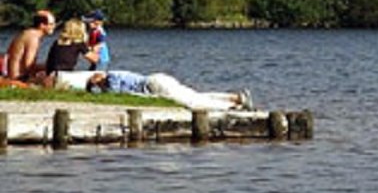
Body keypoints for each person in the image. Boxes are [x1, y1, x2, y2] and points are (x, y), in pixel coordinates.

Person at [82, 70, 254, 112]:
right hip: (158, 78)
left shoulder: (111, 78)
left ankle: (230, 107)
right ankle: (235, 98)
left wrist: (97, 91)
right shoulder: (117, 73)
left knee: (191, 102)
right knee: (195, 95)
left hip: (152, 85)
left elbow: (115, 93)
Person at [4, 10, 56, 80]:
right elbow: (28, 66)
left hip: (13, 74)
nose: (54, 26)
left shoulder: (27, 33)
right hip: (18, 77)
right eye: (51, 24)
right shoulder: (33, 38)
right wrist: (49, 67)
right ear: (42, 25)